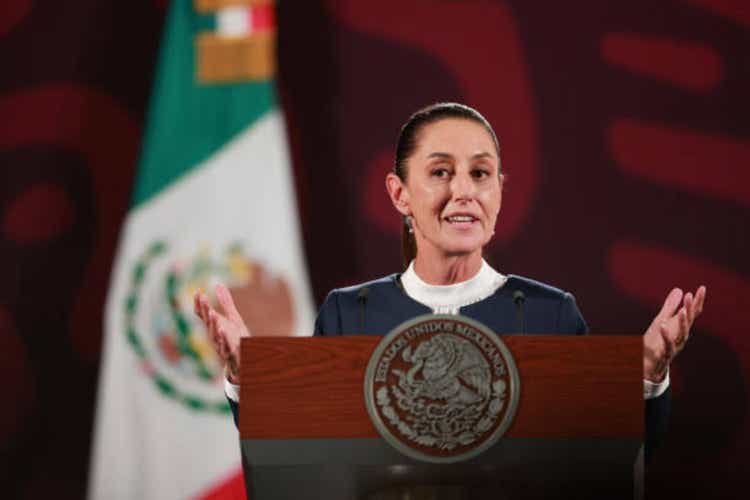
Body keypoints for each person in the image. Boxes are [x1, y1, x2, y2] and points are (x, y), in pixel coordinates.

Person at [193, 102, 706, 461]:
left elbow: (610, 456)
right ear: (399, 194)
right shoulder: (351, 313)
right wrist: (247, 379)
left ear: (499, 193)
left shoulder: (551, 313)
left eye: (480, 174)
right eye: (440, 172)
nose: (463, 191)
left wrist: (644, 375)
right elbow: (302, 448)